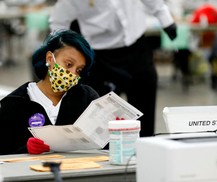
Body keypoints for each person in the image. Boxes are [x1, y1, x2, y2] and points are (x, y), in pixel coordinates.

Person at [49, 0, 177, 137]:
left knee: (144, 112)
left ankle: (145, 150)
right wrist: (62, 52)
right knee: (100, 121)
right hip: (100, 57)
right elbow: (59, 21)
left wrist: (166, 19)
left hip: (137, 47)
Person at [0, 29, 98, 155]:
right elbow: (3, 154)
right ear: (50, 59)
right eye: (69, 64)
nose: (73, 73)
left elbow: (103, 144)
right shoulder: (15, 103)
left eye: (79, 70)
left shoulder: (85, 98)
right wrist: (26, 150)